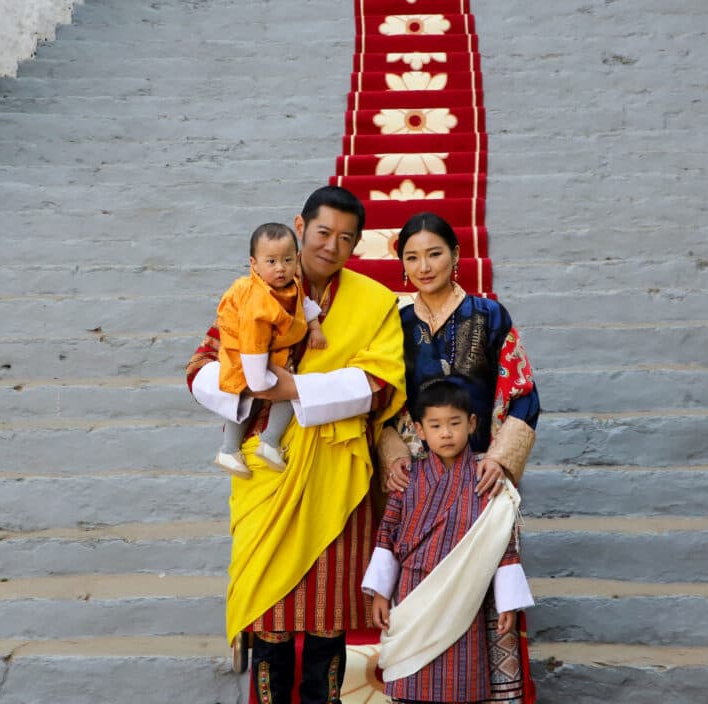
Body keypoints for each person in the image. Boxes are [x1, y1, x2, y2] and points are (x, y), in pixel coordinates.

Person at [185, 186, 407, 704]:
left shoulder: (374, 302)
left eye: (346, 238)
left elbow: (384, 384)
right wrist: (253, 387)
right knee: (270, 621)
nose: (332, 246)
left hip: (338, 473)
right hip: (269, 474)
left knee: (329, 627)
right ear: (300, 226)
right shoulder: (252, 290)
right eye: (323, 231)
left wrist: (295, 389)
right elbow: (201, 366)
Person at [377, 210, 543, 702]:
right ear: (402, 264)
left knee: (490, 592)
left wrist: (501, 460)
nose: (424, 266)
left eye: (434, 253)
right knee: (418, 580)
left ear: (456, 256)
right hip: (419, 479)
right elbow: (381, 400)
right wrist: (392, 456)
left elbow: (523, 394)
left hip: (481, 474)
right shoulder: (395, 324)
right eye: (412, 257)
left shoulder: (489, 315)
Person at [363, 379, 534, 704]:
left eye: (454, 424)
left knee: (460, 682)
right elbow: (386, 536)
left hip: (464, 598)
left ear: (471, 424)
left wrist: (507, 600)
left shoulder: (486, 477)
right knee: (410, 679)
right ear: (419, 430)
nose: (445, 433)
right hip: (414, 592)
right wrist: (380, 594)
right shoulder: (407, 478)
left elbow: (501, 540)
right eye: (436, 425)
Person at [211, 222, 327, 477]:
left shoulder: (291, 284)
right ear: (254, 264)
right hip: (246, 354)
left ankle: (267, 442)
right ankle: (231, 448)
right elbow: (252, 341)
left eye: (287, 260)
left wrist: (315, 329)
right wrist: (259, 380)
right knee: (247, 397)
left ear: (297, 259)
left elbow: (303, 305)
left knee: (286, 393)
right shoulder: (256, 298)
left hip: (271, 352)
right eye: (271, 261)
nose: (280, 268)